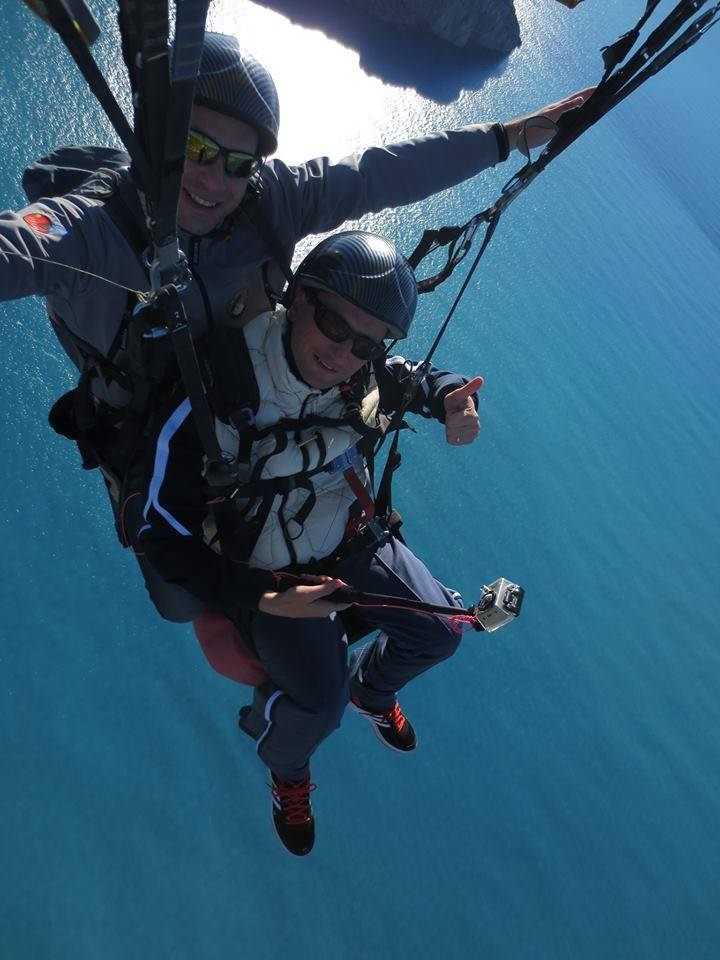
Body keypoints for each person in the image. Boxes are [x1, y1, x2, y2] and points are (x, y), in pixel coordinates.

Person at [0, 31, 589, 622]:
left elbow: (380, 174)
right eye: (196, 149)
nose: (213, 181)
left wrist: (512, 137)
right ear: (156, 134)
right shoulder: (92, 232)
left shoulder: (266, 201)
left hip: (248, 403)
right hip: (158, 430)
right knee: (180, 600)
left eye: (238, 163)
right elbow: (20, 244)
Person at [137, 229, 483, 855]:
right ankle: (287, 771)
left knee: (440, 632)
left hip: (351, 540)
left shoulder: (364, 373)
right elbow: (159, 531)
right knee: (316, 708)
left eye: (367, 343)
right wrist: (262, 597)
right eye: (332, 323)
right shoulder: (219, 384)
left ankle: (371, 689)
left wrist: (449, 398)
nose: (344, 353)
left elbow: (414, 376)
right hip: (273, 577)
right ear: (298, 299)